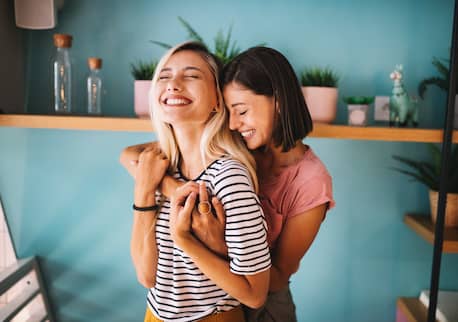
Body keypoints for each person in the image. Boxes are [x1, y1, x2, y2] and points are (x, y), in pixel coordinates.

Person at [122, 46, 335, 322]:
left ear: (278, 102)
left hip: (266, 304)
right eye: (229, 109)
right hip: (207, 294)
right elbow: (130, 156)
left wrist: (210, 241)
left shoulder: (310, 182)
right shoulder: (242, 143)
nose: (232, 124)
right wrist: (179, 193)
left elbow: (277, 275)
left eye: (242, 111)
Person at [127, 41, 271, 322]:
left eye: (191, 75)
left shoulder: (229, 178)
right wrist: (146, 189)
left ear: (218, 100)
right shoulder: (159, 167)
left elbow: (255, 294)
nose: (173, 84)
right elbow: (146, 276)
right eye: (164, 76)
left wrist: (184, 239)